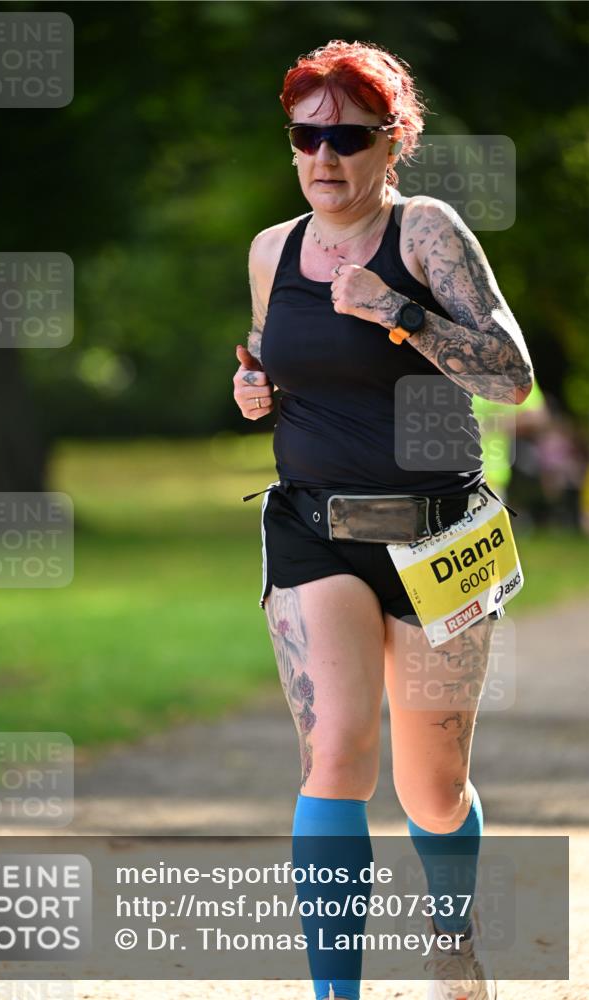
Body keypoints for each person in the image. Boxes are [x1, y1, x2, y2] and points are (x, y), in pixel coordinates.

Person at [232, 39, 534, 1000]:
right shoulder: (272, 251)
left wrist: (397, 311)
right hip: (313, 529)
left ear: (392, 142)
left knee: (431, 790)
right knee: (335, 757)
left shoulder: (426, 231)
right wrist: (254, 389)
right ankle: (337, 992)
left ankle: (451, 941)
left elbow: (511, 379)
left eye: (349, 138)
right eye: (305, 137)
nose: (324, 157)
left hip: (437, 537)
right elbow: (275, 360)